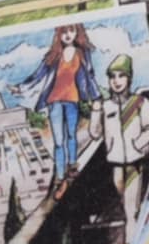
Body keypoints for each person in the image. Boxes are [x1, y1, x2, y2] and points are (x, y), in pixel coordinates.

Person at [20, 22, 96, 202]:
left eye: (71, 30)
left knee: (71, 136)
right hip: (54, 101)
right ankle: (60, 177)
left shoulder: (82, 53)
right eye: (64, 32)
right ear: (58, 35)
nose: (68, 35)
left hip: (73, 100)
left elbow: (90, 76)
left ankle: (72, 166)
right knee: (59, 141)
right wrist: (21, 87)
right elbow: (38, 74)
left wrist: (96, 97)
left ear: (77, 32)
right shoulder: (54, 55)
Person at [95, 53, 149, 226]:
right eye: (112, 77)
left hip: (134, 162)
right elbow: (95, 133)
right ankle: (136, 217)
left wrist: (137, 145)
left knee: (130, 209)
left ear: (129, 78)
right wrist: (95, 111)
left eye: (121, 75)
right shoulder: (106, 106)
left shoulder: (139, 102)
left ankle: (132, 234)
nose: (117, 81)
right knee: (126, 201)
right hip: (116, 164)